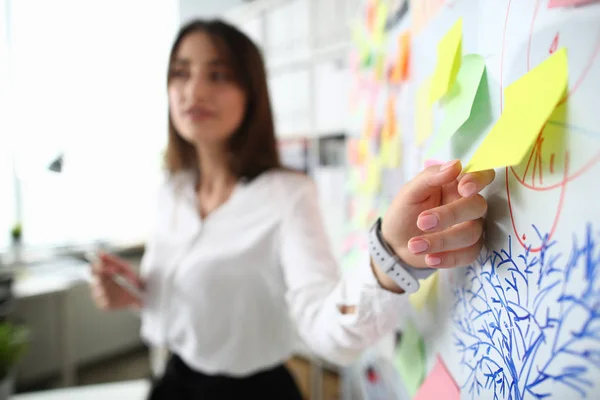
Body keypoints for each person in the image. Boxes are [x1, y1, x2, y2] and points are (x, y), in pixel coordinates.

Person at [89, 19, 495, 399]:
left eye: (217, 75)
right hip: (173, 384)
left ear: (251, 93)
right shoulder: (172, 192)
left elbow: (325, 329)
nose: (193, 91)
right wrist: (136, 294)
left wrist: (390, 258)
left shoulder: (288, 195)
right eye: (180, 72)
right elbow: (195, 304)